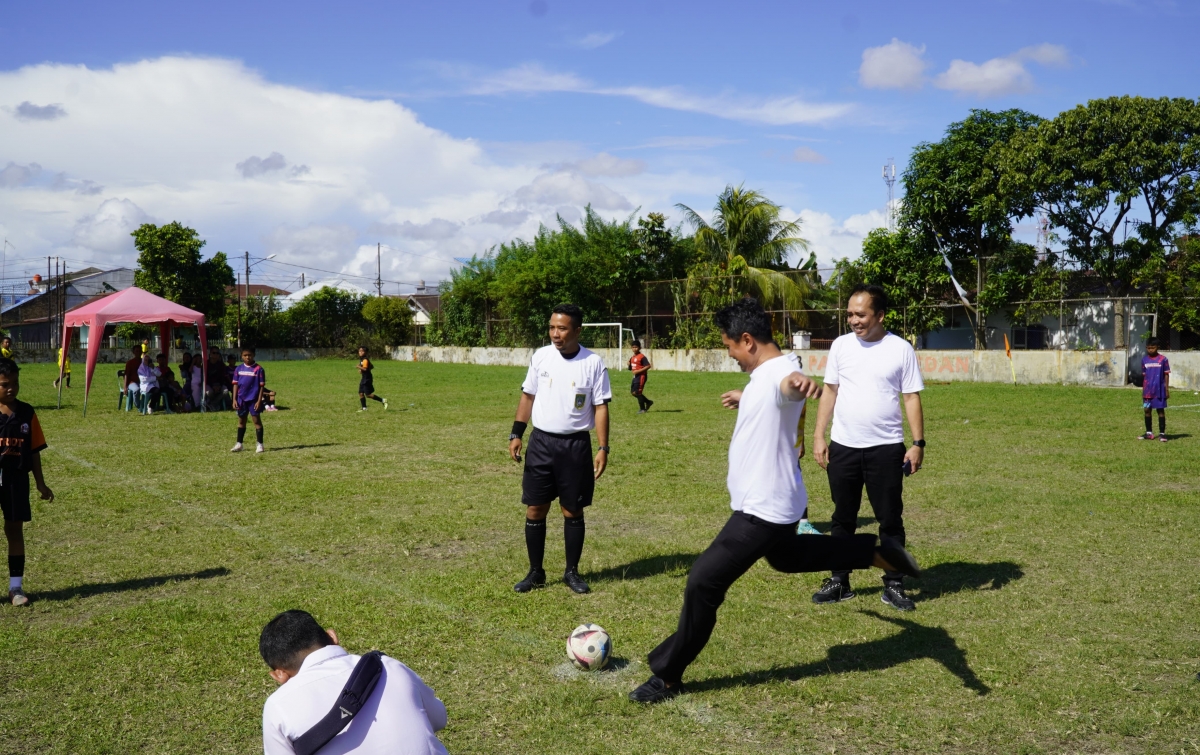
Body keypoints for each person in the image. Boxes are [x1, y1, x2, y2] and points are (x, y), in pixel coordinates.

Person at [628, 298, 920, 704]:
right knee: (787, 558)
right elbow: (769, 393)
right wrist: (744, 396)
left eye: (729, 346)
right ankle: (875, 552)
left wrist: (800, 386)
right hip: (781, 501)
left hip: (762, 508)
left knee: (703, 582)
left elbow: (788, 386)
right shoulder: (764, 375)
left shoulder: (784, 373)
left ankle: (669, 675)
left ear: (747, 340)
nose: (729, 353)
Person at [811, 284, 926, 612]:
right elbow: (829, 391)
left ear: (880, 315)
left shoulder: (900, 349)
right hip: (843, 446)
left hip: (886, 449)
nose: (853, 320)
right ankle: (839, 580)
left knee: (890, 519)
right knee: (842, 517)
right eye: (849, 314)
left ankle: (893, 585)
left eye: (860, 314)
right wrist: (820, 436)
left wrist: (917, 444)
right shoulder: (840, 346)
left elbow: (911, 397)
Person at [508, 303, 612, 595]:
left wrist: (603, 447)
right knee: (535, 508)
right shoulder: (541, 357)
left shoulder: (593, 363)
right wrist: (516, 433)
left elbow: (600, 406)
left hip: (575, 445)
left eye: (562, 328)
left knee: (572, 509)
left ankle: (571, 572)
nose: (556, 334)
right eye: (552, 327)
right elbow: (528, 396)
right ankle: (535, 572)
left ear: (577, 330)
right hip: (541, 443)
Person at [260, 609, 448, 755]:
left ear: (279, 674)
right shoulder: (387, 666)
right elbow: (438, 718)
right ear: (332, 636)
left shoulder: (278, 706)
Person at [0, 358, 55, 606]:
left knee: (14, 530)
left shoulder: (27, 413)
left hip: (16, 480)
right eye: (4, 384)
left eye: (15, 383)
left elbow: (34, 452)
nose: (11, 388)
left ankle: (16, 587)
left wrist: (40, 484)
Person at [232, 347, 266, 453]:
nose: (247, 357)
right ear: (241, 356)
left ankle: (260, 444)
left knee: (256, 420)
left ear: (254, 355)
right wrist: (234, 399)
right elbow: (235, 385)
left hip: (253, 399)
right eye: (245, 355)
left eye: (249, 355)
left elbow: (261, 386)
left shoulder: (258, 369)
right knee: (241, 420)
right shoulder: (238, 369)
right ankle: (239, 444)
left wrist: (259, 400)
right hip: (241, 399)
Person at [1139, 337, 1170, 442]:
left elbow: (1166, 375)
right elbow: (1145, 376)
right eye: (1148, 348)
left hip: (1159, 391)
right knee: (1147, 410)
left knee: (1160, 410)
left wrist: (1166, 389)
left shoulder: (1163, 360)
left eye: (1152, 348)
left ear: (1158, 347)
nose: (1150, 350)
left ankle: (1162, 434)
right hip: (1147, 392)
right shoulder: (1144, 360)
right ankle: (1149, 433)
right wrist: (1144, 390)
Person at [357, 346, 388, 411]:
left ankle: (383, 400)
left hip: (367, 378)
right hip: (364, 378)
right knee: (361, 393)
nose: (360, 352)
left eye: (362, 351)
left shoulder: (365, 359)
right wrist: (362, 370)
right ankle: (364, 408)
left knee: (368, 395)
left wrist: (359, 367)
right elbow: (371, 366)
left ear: (365, 352)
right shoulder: (362, 359)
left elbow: (365, 368)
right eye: (359, 351)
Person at [628, 340, 653, 413]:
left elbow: (648, 366)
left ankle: (642, 409)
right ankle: (648, 402)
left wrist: (638, 371)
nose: (634, 349)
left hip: (641, 376)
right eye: (633, 347)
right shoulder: (632, 357)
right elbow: (631, 368)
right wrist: (629, 364)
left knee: (637, 392)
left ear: (639, 348)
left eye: (636, 347)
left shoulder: (642, 357)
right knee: (633, 392)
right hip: (635, 377)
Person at [123, 346, 143, 412]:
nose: (138, 352)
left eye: (140, 351)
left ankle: (147, 405)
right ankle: (139, 406)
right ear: (133, 352)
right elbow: (126, 375)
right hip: (132, 382)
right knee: (136, 390)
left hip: (142, 382)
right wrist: (125, 387)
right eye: (136, 351)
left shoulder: (144, 362)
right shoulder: (130, 363)